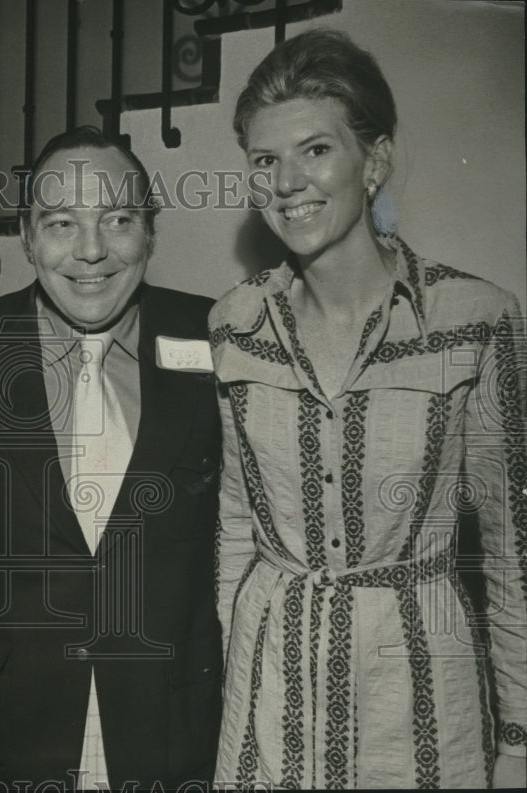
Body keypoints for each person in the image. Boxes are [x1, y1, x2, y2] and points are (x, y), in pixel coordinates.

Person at [210, 28, 526, 789]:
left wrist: (518, 735)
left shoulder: (475, 317)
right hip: (270, 690)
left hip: (419, 694)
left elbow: (514, 544)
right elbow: (235, 521)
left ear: (374, 160)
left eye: (315, 150)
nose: (287, 182)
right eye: (264, 161)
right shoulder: (235, 323)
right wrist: (236, 665)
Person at [0, 126, 223, 789]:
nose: (92, 251)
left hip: (171, 722)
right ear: (27, 236)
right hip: (16, 722)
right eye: (61, 222)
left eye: (118, 220)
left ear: (150, 233)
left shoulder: (220, 338)